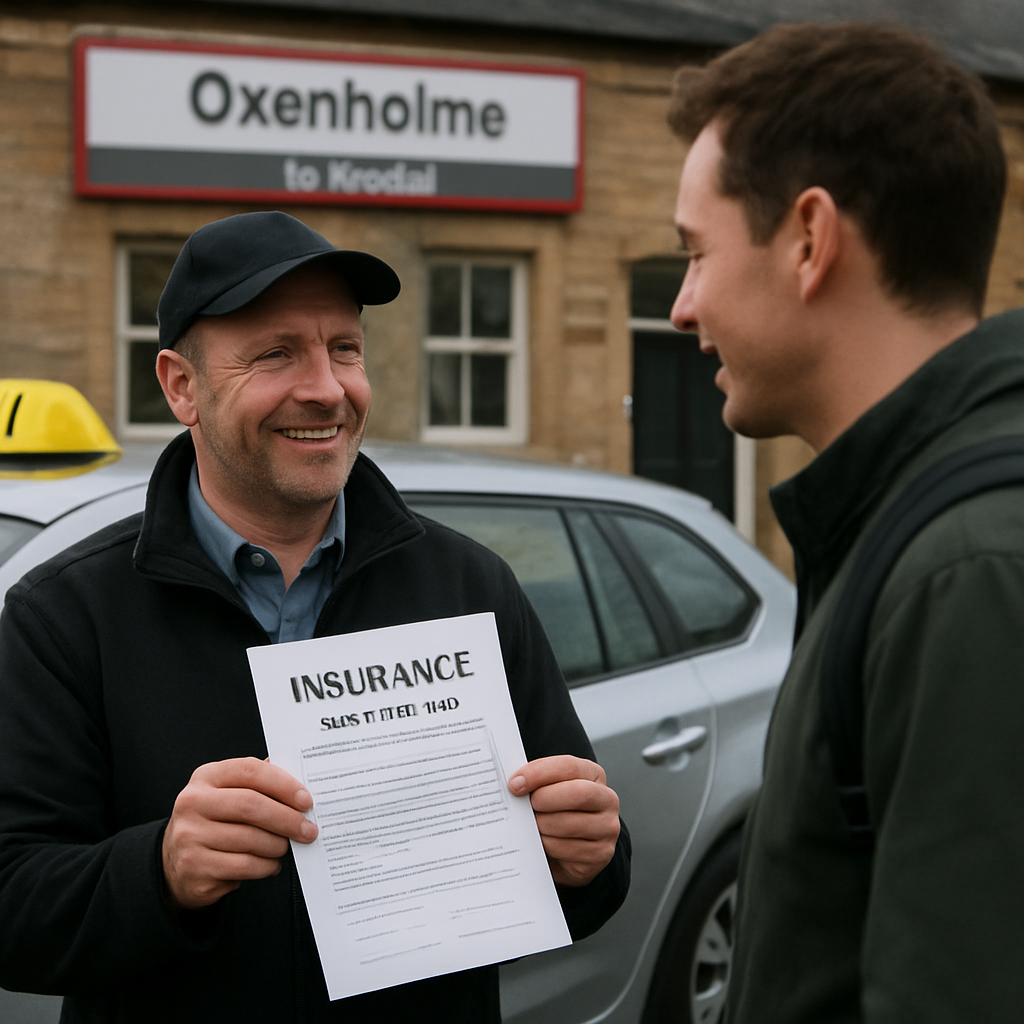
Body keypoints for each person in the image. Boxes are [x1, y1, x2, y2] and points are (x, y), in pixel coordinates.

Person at [0, 211, 629, 1023]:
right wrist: (159, 871)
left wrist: (589, 861)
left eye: (345, 349)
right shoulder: (65, 616)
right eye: (276, 353)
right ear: (180, 386)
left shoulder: (471, 586)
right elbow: (13, 907)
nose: (327, 388)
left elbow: (576, 889)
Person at [666, 22, 1024, 1023]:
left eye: (695, 252)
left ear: (810, 240)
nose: (683, 307)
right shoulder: (911, 516)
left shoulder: (969, 567)